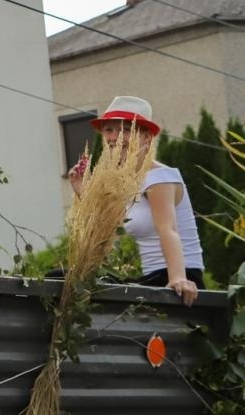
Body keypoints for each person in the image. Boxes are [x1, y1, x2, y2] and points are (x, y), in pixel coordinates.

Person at [70, 95, 203, 306]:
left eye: (124, 130)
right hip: (150, 280)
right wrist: (82, 191)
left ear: (147, 137)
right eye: (109, 130)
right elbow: (107, 229)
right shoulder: (126, 183)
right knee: (64, 278)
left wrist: (178, 278)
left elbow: (168, 229)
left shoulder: (159, 177)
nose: (114, 137)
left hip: (177, 280)